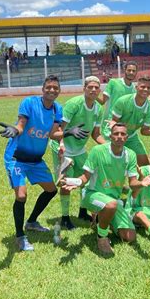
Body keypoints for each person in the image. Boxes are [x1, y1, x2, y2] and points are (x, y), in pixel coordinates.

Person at [0, 75, 84, 251]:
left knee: (51, 190)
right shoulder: (29, 103)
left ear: (59, 91)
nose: (52, 90)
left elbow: (53, 134)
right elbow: (21, 125)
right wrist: (14, 130)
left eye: (55, 88)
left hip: (36, 160)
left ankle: (31, 222)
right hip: (17, 158)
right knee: (21, 196)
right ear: (43, 89)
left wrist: (68, 132)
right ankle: (20, 236)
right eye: (49, 87)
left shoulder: (56, 109)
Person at [63, 123, 142, 255]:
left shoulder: (131, 155)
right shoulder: (98, 151)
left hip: (113, 199)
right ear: (110, 136)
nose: (119, 136)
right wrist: (73, 182)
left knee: (130, 237)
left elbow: (133, 183)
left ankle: (101, 219)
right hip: (92, 194)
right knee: (111, 205)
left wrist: (141, 183)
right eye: (116, 133)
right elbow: (85, 177)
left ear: (126, 137)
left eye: (123, 134)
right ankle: (102, 237)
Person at [50, 76, 106, 229]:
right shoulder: (74, 104)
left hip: (80, 150)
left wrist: (109, 145)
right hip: (63, 148)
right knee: (65, 183)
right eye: (90, 87)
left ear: (99, 90)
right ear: (84, 89)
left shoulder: (98, 109)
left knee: (87, 178)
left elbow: (96, 134)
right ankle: (65, 217)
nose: (93, 90)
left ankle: (82, 211)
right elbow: (58, 129)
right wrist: (62, 144)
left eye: (96, 87)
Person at [109, 76, 150, 166]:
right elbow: (114, 120)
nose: (145, 89)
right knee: (114, 164)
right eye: (142, 87)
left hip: (131, 136)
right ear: (136, 87)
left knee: (145, 166)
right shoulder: (123, 101)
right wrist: (113, 126)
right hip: (116, 135)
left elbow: (144, 131)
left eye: (148, 88)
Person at [98, 62, 138, 139]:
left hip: (124, 126)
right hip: (110, 123)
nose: (131, 72)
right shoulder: (113, 83)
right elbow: (102, 101)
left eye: (133, 71)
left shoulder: (134, 89)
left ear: (136, 72)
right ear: (124, 70)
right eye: (129, 70)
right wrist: (94, 96)